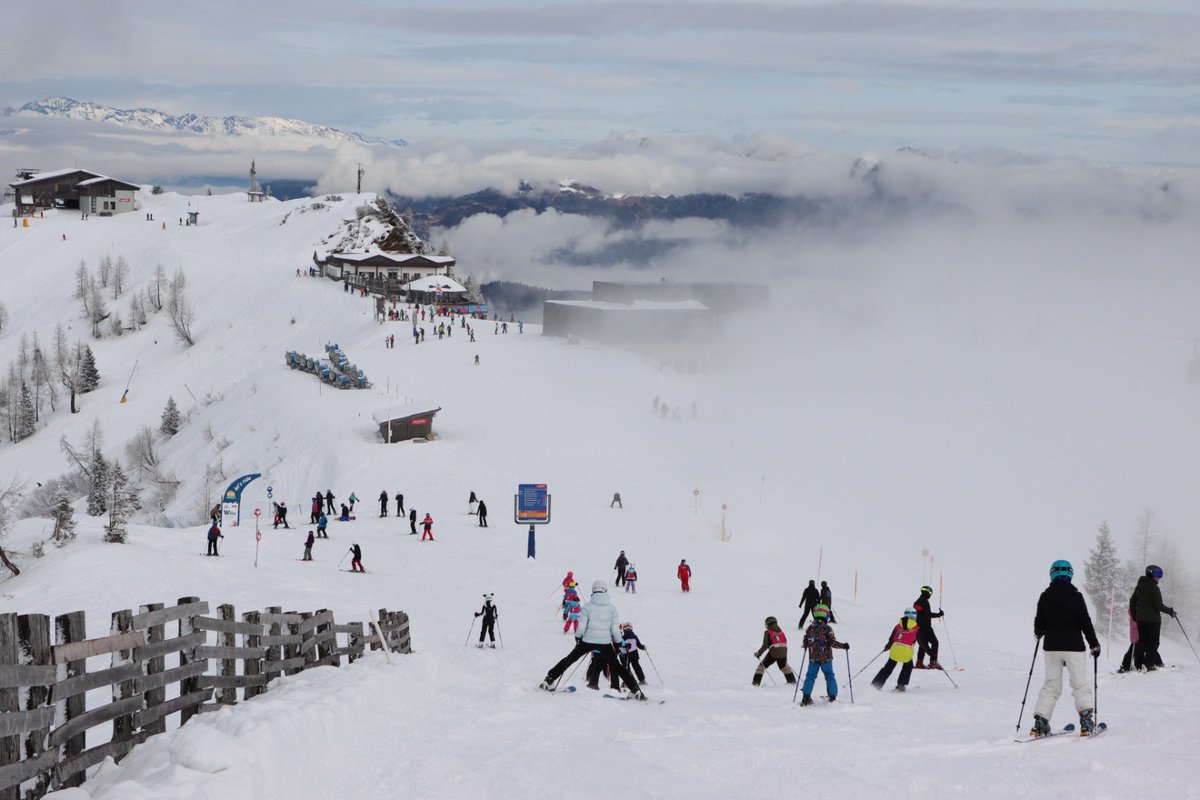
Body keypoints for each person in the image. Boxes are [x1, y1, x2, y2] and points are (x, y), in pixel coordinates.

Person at [539, 580, 646, 700]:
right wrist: (620, 642)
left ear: (593, 591)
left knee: (569, 659)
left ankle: (549, 679)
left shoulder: (587, 607)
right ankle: (635, 689)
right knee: (618, 667)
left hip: (587, 641)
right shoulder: (612, 609)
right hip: (605, 643)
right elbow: (616, 631)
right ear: (605, 591)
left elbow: (581, 627)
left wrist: (578, 637)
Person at [1030, 560, 1101, 737]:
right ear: (1070, 575)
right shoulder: (1076, 596)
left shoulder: (1045, 596)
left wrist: (1040, 632)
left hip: (1052, 647)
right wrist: (1094, 644)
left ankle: (1041, 722)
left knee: (1051, 684)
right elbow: (1085, 622)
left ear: (1052, 574)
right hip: (1073, 646)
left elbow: (1039, 624)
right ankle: (1086, 721)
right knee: (1079, 684)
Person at [799, 604, 848, 705]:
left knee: (810, 676)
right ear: (826, 615)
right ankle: (832, 696)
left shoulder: (810, 628)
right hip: (826, 658)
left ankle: (806, 697)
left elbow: (805, 642)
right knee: (829, 675)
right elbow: (832, 643)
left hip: (813, 658)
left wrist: (807, 645)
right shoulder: (827, 628)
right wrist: (843, 646)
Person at [1131, 564, 1176, 671]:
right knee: (1153, 642)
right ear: (1150, 574)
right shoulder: (1154, 588)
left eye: (1159, 575)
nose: (1158, 577)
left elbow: (1132, 601)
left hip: (1141, 619)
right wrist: (1170, 611)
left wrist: (1134, 616)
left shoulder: (1139, 586)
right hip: (1153, 621)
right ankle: (1149, 664)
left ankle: (1138, 664)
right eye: (1156, 574)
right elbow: (1158, 605)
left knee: (1142, 641)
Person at [871, 608, 918, 692]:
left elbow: (892, 638)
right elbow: (921, 641)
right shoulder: (917, 627)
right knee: (908, 666)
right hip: (906, 651)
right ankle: (900, 686)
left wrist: (887, 647)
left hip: (895, 649)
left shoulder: (898, 626)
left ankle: (876, 685)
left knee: (888, 667)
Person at [753, 616, 797, 686]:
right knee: (783, 667)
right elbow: (785, 642)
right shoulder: (781, 632)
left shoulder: (768, 632)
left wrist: (759, 653)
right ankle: (792, 682)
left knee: (761, 667)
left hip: (774, 653)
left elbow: (765, 645)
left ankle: (755, 684)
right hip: (783, 652)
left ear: (767, 624)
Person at [912, 585, 944, 669]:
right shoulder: (924, 601)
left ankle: (919, 663)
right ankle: (933, 662)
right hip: (925, 627)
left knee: (922, 645)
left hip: (918, 627)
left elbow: (921, 614)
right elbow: (927, 614)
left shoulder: (917, 602)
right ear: (928, 592)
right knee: (935, 642)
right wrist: (938, 615)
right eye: (930, 593)